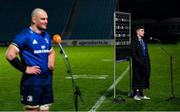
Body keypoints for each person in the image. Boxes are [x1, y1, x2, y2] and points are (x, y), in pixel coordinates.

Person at [5, 8, 55, 111]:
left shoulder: (46, 35)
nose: (46, 21)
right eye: (43, 19)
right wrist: (25, 69)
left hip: (47, 81)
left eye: (47, 19)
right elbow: (9, 55)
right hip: (32, 82)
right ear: (34, 19)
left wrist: (51, 62)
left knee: (45, 108)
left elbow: (51, 52)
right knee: (32, 109)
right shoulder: (24, 36)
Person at [131, 26, 151, 100]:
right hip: (137, 65)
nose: (143, 32)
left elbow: (146, 53)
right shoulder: (134, 41)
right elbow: (133, 54)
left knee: (143, 78)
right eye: (142, 31)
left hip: (145, 63)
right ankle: (135, 95)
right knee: (137, 78)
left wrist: (147, 62)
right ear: (137, 32)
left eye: (143, 31)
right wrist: (139, 62)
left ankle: (141, 94)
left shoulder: (144, 41)